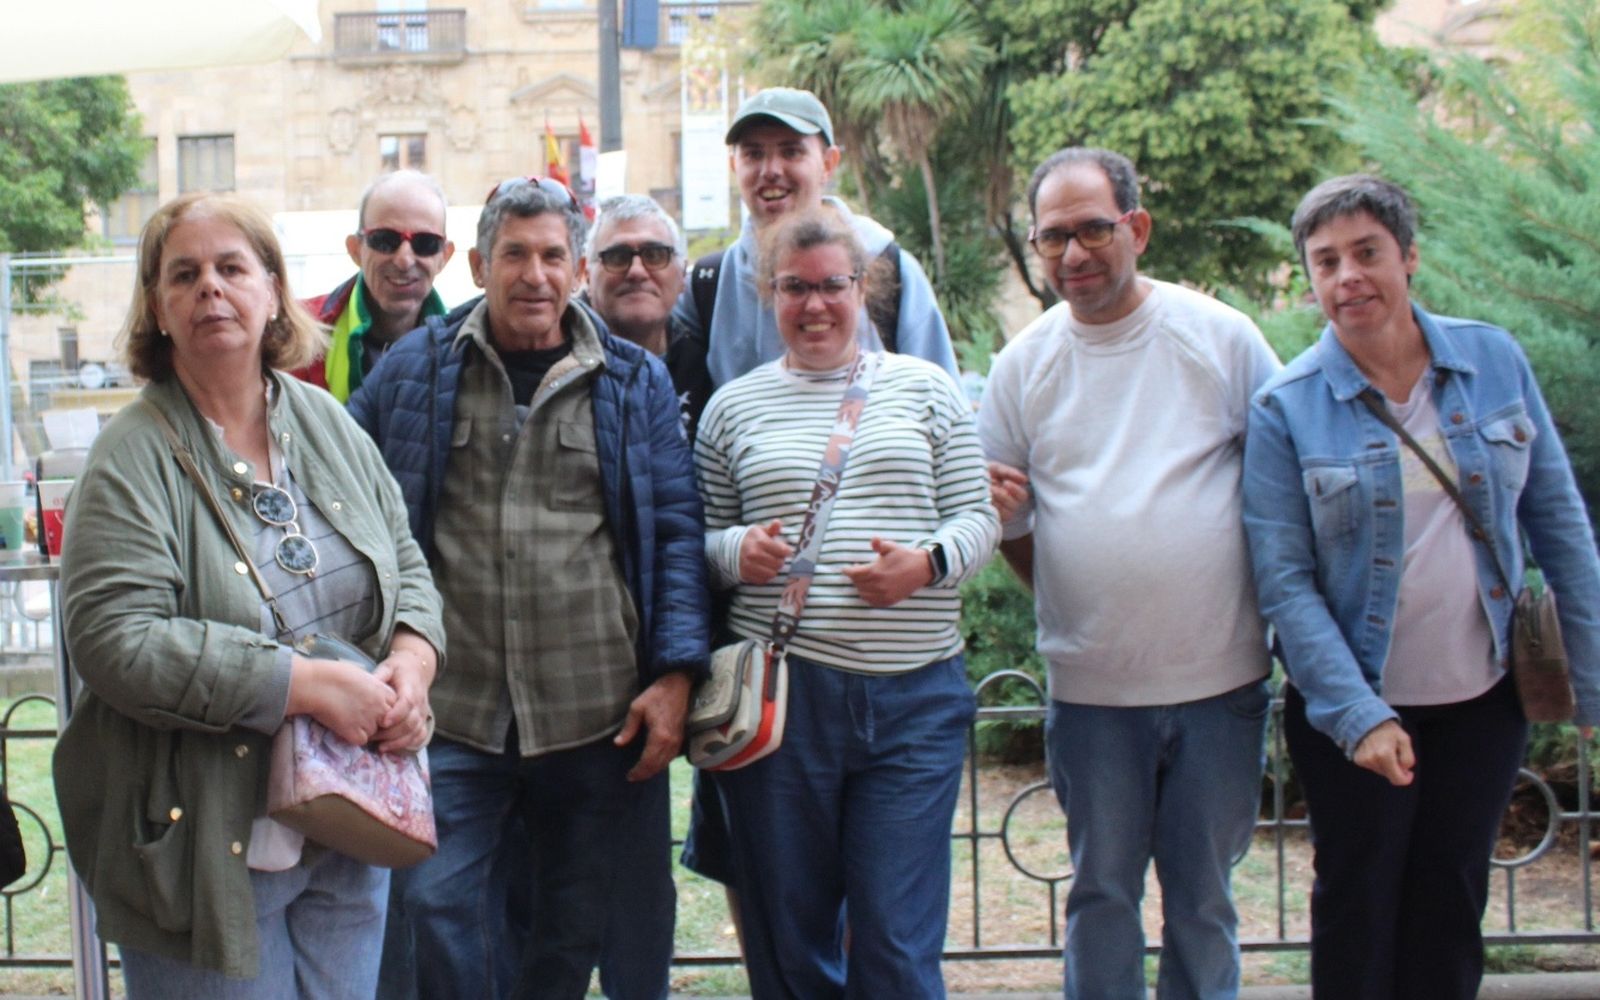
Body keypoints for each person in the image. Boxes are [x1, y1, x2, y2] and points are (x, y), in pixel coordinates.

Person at [52, 192, 445, 996]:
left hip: (346, 816)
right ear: (157, 308)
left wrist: (413, 660)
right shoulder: (129, 457)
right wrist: (303, 686)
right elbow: (114, 641)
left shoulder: (325, 420)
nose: (210, 288)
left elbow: (405, 562)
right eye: (184, 275)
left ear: (273, 291)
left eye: (232, 268)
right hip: (202, 839)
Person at [347, 176, 708, 1000]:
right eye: (514, 255)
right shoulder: (415, 369)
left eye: (552, 256)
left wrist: (676, 673)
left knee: (570, 926)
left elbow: (675, 531)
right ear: (479, 266)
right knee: (437, 904)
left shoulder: (633, 380)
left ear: (578, 269)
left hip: (593, 714)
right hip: (455, 711)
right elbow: (339, 478)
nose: (534, 275)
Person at [1242, 174, 1600, 999]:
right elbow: (1284, 583)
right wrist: (1358, 715)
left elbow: (1560, 527)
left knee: (1450, 903)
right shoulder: (1286, 406)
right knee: (1358, 911)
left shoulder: (1493, 361)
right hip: (1356, 709)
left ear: (1408, 257)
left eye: (1366, 252)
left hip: (1484, 701)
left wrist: (1588, 678)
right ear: (1310, 279)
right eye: (1326, 261)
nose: (1348, 277)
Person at [977, 147, 1280, 999]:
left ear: (1137, 228)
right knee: (1102, 895)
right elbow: (1004, 518)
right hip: (1092, 696)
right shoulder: (1022, 365)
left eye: (1093, 230)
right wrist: (1077, 600)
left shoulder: (1221, 338)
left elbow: (1283, 491)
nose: (1073, 254)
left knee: (1204, 902)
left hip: (1220, 686)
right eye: (1053, 237)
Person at [672, 84, 962, 922]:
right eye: (754, 153)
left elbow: (946, 425)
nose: (772, 170)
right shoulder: (709, 280)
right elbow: (694, 456)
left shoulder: (886, 263)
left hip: (888, 637)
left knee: (883, 889)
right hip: (763, 634)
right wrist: (729, 554)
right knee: (768, 874)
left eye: (790, 151)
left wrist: (938, 548)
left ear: (828, 161)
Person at [694, 206, 998, 997]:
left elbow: (978, 518)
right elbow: (697, 541)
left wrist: (926, 564)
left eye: (833, 284)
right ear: (769, 294)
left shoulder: (927, 389)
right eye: (795, 287)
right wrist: (737, 552)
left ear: (864, 288)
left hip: (915, 701)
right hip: (785, 706)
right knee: (792, 937)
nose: (816, 304)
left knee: (895, 936)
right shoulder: (733, 407)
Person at [297, 170, 456, 402]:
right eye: (385, 240)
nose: (404, 260)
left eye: (425, 243)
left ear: (445, 256)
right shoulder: (297, 331)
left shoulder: (465, 346)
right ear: (355, 249)